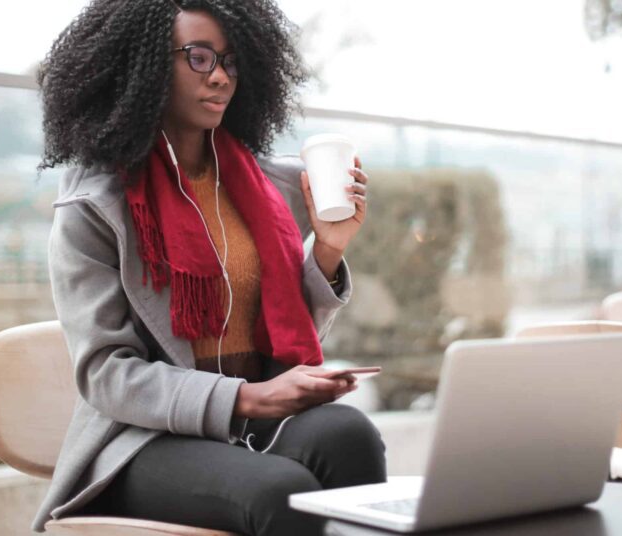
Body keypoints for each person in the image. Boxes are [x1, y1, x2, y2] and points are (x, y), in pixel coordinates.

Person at [30, 0, 386, 534]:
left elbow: (286, 329)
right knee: (280, 492)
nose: (220, 77)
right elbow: (106, 375)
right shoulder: (94, 206)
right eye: (199, 58)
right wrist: (246, 398)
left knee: (349, 435)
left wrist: (328, 248)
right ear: (143, 66)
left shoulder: (266, 187)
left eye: (230, 61)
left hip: (253, 417)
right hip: (144, 439)